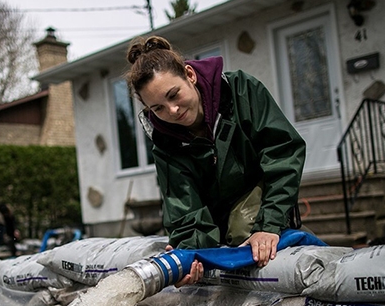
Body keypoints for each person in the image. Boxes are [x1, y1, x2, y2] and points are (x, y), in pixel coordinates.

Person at [125, 36, 306, 286]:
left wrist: (269, 225)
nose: (172, 111)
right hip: (216, 215)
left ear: (190, 74)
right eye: (158, 108)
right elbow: (183, 206)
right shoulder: (164, 142)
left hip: (259, 197)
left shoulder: (240, 90)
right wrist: (190, 255)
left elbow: (283, 152)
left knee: (243, 230)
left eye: (174, 95)